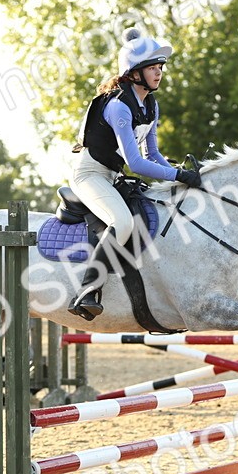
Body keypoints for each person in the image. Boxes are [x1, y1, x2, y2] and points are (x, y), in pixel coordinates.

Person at [66, 28, 202, 319]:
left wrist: (179, 175)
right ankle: (87, 291)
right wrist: (178, 176)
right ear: (134, 73)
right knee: (123, 222)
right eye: (152, 67)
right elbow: (137, 163)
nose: (159, 72)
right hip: (88, 173)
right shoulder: (118, 106)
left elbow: (153, 154)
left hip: (112, 175)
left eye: (160, 67)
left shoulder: (151, 105)